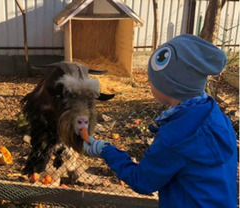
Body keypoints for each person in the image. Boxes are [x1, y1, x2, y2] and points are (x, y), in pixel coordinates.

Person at [84, 34, 237, 208]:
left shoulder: (176, 136)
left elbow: (142, 180)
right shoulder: (215, 115)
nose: (149, 83)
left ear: (171, 85)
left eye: (152, 81)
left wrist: (105, 150)